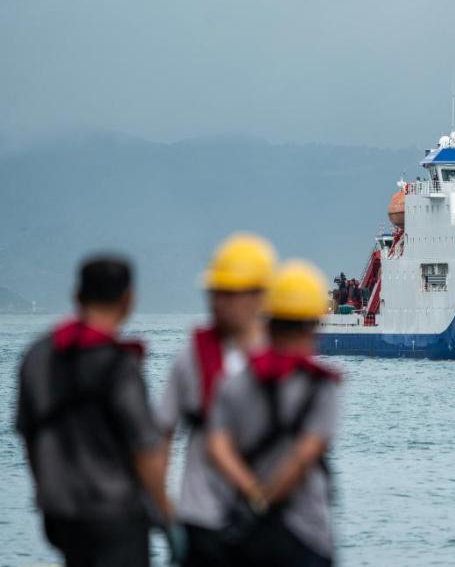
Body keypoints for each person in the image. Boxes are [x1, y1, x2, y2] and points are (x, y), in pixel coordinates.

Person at [16, 256, 171, 567]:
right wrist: (166, 513)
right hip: (116, 514)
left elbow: (30, 437)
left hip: (62, 515)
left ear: (77, 295)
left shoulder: (37, 356)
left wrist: (46, 494)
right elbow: (145, 448)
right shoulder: (119, 364)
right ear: (128, 301)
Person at [208, 260, 340, 566]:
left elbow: (218, 446)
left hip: (245, 527)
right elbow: (306, 453)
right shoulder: (322, 386)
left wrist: (251, 491)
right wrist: (268, 497)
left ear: (266, 321)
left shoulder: (234, 382)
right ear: (314, 324)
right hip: (307, 531)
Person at [155, 233, 276, 566]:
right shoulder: (192, 359)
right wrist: (163, 506)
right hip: (201, 517)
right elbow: (162, 436)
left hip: (265, 518)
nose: (218, 302)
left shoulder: (281, 361)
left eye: (230, 294)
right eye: (215, 293)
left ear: (259, 295)